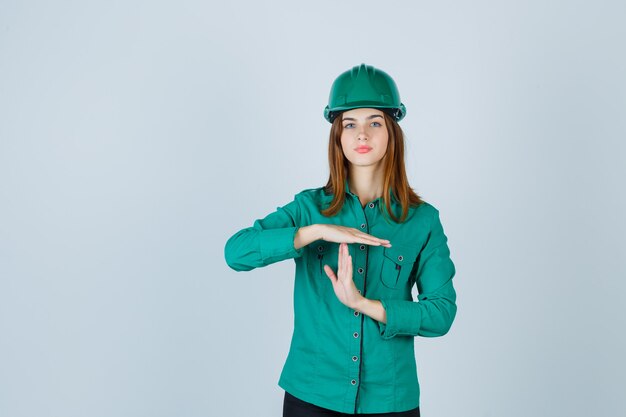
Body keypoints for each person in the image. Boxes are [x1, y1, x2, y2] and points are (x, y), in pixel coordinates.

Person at [224, 63, 457, 416]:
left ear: (392, 132)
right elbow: (236, 252)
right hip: (312, 395)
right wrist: (316, 232)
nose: (362, 134)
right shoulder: (308, 208)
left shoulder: (422, 220)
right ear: (337, 135)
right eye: (350, 124)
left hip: (390, 401)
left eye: (374, 122)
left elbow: (441, 313)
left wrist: (363, 303)